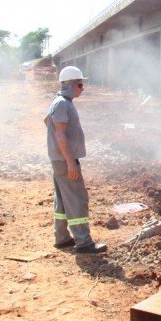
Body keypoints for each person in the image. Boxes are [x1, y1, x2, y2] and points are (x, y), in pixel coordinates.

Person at [43, 66, 107, 254]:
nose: (82, 88)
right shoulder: (63, 103)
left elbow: (47, 121)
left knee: (62, 199)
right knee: (77, 198)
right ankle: (84, 242)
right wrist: (70, 161)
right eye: (80, 84)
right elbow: (60, 133)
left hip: (58, 159)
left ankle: (62, 238)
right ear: (70, 84)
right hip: (65, 160)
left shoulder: (59, 101)